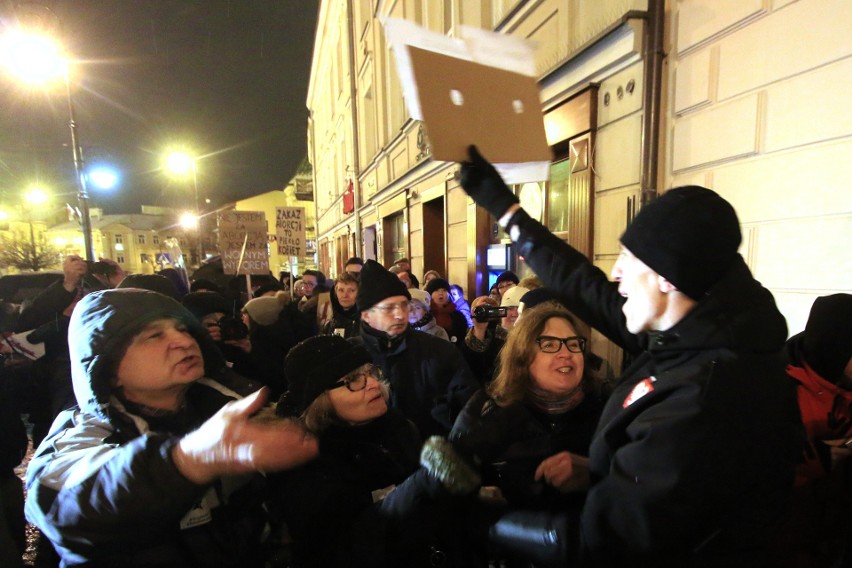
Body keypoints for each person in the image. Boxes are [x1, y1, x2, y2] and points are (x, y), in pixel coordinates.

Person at [459, 146, 802, 566]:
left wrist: (487, 521)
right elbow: (584, 285)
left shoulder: (703, 399)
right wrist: (504, 208)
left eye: (629, 258)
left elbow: (604, 541)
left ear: (667, 278)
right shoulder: (700, 327)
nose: (616, 273)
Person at [24, 288, 318, 566]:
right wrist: (189, 459)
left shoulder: (231, 410)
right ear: (107, 370)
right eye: (153, 336)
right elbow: (65, 510)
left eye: (182, 329)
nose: (183, 341)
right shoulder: (82, 435)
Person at [270, 335, 473, 567]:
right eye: (354, 380)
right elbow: (344, 546)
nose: (374, 384)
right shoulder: (302, 462)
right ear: (319, 399)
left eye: (370, 372)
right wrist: (421, 484)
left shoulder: (398, 427)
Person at [451, 304, 610, 514]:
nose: (566, 353)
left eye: (573, 344)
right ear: (523, 357)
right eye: (550, 344)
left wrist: (597, 472)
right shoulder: (488, 411)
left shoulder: (609, 406)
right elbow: (450, 494)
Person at [350, 260, 478, 439]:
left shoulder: (439, 351)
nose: (400, 314)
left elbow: (470, 405)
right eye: (389, 308)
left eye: (404, 305)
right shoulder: (350, 356)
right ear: (366, 315)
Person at [772, 293, 852, 567]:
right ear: (838, 349)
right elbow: (762, 473)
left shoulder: (844, 386)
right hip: (783, 542)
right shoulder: (777, 390)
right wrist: (824, 457)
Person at [461, 295, 507, 386]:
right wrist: (479, 329)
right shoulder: (470, 335)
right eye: (482, 310)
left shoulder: (504, 334)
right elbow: (473, 365)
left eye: (490, 310)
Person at [425, 278, 469, 345]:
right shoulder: (425, 315)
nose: (441, 293)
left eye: (444, 290)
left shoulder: (458, 316)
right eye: (436, 290)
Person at [320, 271, 361, 338]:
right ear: (335, 293)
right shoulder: (330, 324)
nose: (345, 295)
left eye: (351, 290)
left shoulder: (366, 323)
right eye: (341, 290)